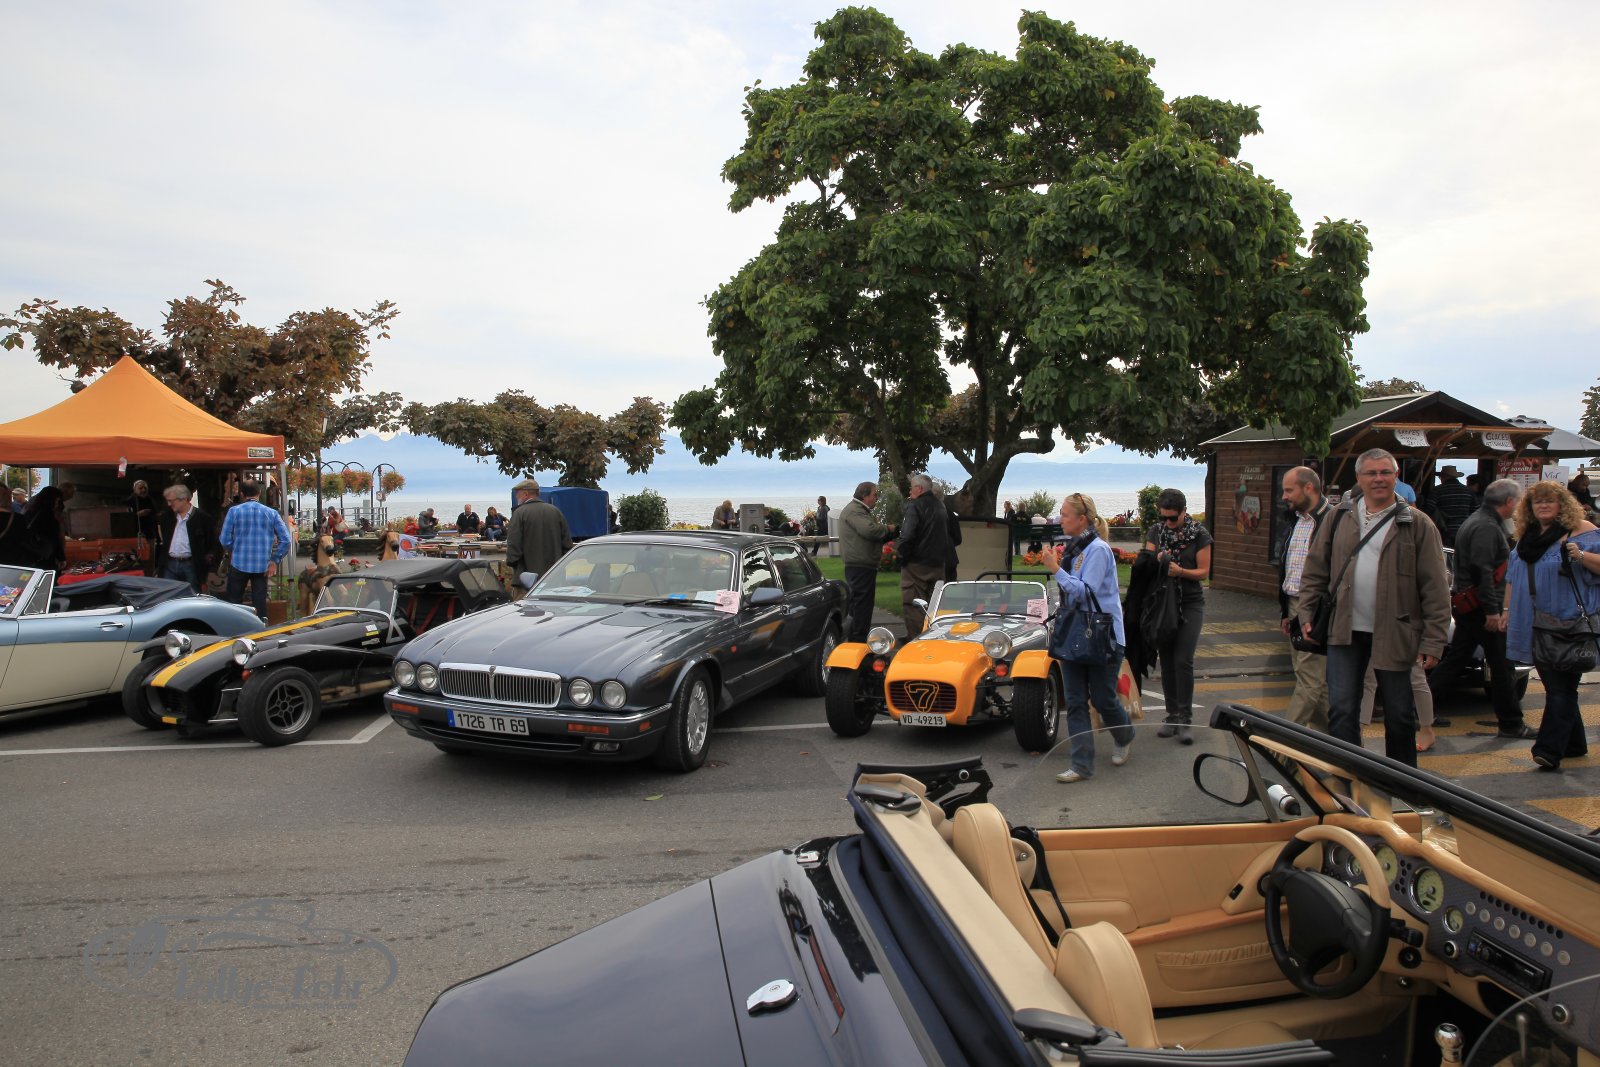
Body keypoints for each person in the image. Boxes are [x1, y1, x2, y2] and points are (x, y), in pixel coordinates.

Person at [1297, 448, 1451, 768]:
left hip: (1396, 631)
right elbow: (1315, 570)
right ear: (1359, 478)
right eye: (1371, 473)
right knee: (1342, 710)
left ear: (1396, 476)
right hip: (1344, 629)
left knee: (1399, 713)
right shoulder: (1339, 517)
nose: (1378, 479)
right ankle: (1349, 775)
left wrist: (1434, 640)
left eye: (1385, 472)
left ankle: (1402, 781)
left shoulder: (1417, 523)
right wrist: (1306, 613)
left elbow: (1435, 587)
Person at [1427, 478, 1533, 738]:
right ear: (1509, 502)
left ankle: (1418, 707)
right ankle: (1511, 722)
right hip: (1481, 607)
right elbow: (1482, 571)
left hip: (1472, 605)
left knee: (1457, 660)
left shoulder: (1480, 521)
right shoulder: (1486, 526)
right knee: (1502, 666)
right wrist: (1492, 610)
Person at [1505, 481, 1600, 770]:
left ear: (1563, 504)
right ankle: (1574, 744)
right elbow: (1512, 577)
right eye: (1538, 501)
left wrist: (1581, 556)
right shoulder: (1528, 538)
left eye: (1549, 500)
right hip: (1534, 622)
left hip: (1568, 622)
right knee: (1558, 686)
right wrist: (1505, 611)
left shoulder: (1582, 531)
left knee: (1561, 687)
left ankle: (1547, 749)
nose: (1543, 505)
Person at [1042, 492, 1133, 783]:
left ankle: (1125, 734)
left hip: (1102, 635)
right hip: (1074, 632)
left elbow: (1085, 592)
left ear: (1081, 519)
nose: (1060, 519)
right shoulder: (1075, 549)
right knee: (1075, 700)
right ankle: (1081, 764)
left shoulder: (1098, 550)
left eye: (1065, 514)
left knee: (1103, 699)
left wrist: (1055, 569)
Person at [1143, 488, 1212, 743]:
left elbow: (1204, 572)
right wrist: (1157, 561)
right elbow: (1147, 565)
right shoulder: (1156, 532)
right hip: (1164, 602)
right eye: (1163, 517)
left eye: (1172, 518)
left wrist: (1180, 571)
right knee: (1167, 659)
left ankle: (1185, 718)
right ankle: (1172, 715)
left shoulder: (1199, 534)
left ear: (1184, 511)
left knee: (1183, 660)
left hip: (1190, 602)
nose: (1168, 523)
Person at [1277, 466, 1332, 734]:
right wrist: (1285, 612)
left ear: (1308, 487)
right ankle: (1336, 739)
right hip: (1293, 603)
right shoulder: (1296, 519)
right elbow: (1288, 567)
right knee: (1310, 676)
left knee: (1309, 676)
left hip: (1316, 607)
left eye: (1289, 490)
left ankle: (1284, 743)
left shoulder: (1331, 520)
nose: (1284, 496)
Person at [219, 479, 292, 623]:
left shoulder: (234, 511)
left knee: (234, 602)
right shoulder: (271, 513)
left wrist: (235, 549)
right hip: (262, 565)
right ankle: (260, 627)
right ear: (259, 493)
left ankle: (235, 628)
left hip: (238, 563)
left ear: (241, 494)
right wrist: (274, 560)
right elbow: (286, 540)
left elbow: (224, 539)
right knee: (259, 603)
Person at [896, 474, 954, 637]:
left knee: (914, 604)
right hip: (938, 564)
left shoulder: (915, 506)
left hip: (917, 564)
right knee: (934, 606)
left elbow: (907, 536)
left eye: (911, 488)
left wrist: (900, 556)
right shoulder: (940, 506)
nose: (909, 491)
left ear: (919, 489)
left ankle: (917, 640)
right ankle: (934, 638)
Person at [838, 481, 897, 642]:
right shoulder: (855, 511)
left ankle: (857, 637)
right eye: (874, 495)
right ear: (864, 496)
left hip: (862, 564)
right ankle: (858, 639)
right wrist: (889, 529)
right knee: (861, 605)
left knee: (860, 604)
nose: (877, 498)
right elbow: (869, 530)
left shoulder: (858, 510)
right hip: (860, 566)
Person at [505, 479, 572, 587]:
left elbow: (513, 546)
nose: (516, 496)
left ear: (526, 494)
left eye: (518, 494)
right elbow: (567, 545)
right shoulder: (556, 511)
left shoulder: (519, 513)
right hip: (554, 579)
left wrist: (514, 565)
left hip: (526, 580)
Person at [155, 485, 217, 594]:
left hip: (191, 564)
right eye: (168, 501)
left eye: (171, 501)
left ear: (184, 499)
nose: (169, 504)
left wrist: (208, 566)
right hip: (170, 563)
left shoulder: (203, 518)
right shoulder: (167, 517)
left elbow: (211, 543)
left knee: (193, 595)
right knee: (167, 595)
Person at [20, 486, 70, 574]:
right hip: (45, 556)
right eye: (57, 500)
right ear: (51, 500)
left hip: (29, 555)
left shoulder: (29, 512)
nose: (57, 504)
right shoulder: (49, 517)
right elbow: (54, 538)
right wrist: (61, 557)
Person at [1432, 465, 1477, 546]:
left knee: (1447, 552)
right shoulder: (1468, 491)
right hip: (1464, 529)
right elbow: (1475, 511)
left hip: (1445, 530)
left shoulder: (1437, 490)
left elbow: (1429, 508)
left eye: (1440, 477)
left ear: (1444, 477)